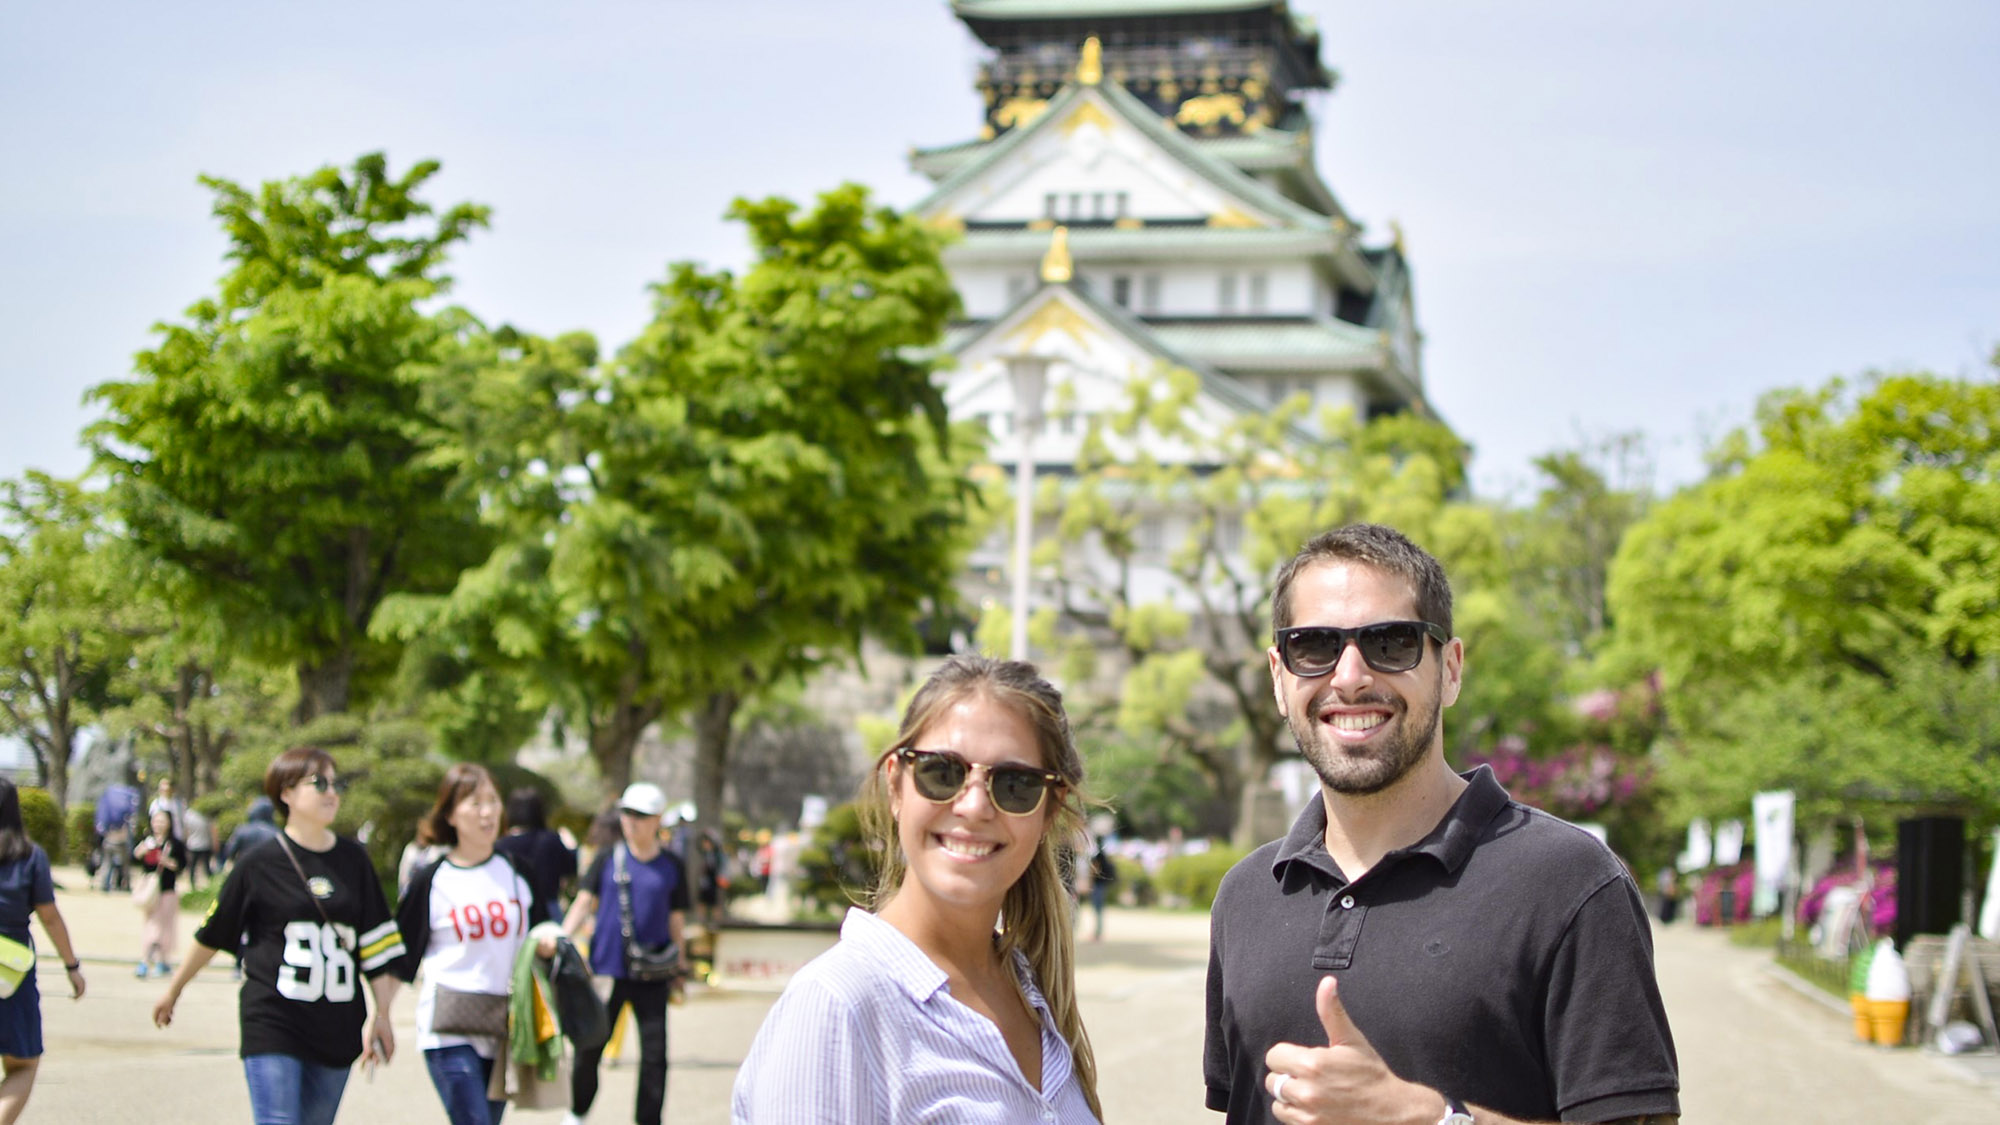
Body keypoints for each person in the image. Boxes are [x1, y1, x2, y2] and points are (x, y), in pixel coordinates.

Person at [1204, 524, 1679, 1125]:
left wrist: (1427, 1119)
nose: (1349, 676)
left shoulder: (1571, 884)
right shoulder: (1245, 896)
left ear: (1450, 669)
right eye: (1314, 646)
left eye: (1392, 642)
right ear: (1279, 676)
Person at [731, 654, 1104, 1124]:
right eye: (942, 772)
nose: (973, 805)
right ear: (896, 786)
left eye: (1015, 784)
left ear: (1051, 810)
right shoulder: (837, 1006)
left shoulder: (1030, 992)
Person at [152, 746, 407, 1125]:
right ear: (285, 793)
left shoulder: (355, 861)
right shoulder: (259, 862)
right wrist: (173, 990)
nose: (331, 792)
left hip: (337, 1025)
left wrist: (383, 1014)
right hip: (273, 1019)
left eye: (337, 784)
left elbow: (375, 945)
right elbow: (214, 932)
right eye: (318, 783)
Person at [391, 765, 557, 1125]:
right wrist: (380, 1016)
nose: (487, 812)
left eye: (492, 801)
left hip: (504, 1023)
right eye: (474, 803)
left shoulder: (518, 871)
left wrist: (547, 945)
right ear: (450, 814)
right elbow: (401, 958)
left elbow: (542, 929)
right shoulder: (431, 879)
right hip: (448, 1025)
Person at [562, 782, 689, 1125]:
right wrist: (560, 937)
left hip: (654, 972)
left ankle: (648, 1120)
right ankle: (577, 1113)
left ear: (657, 819)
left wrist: (681, 965)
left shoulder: (672, 865)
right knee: (589, 1047)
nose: (631, 821)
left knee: (654, 1056)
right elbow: (584, 901)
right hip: (607, 968)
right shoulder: (606, 857)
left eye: (640, 815)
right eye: (627, 813)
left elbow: (677, 919)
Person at [0, 777, 86, 1125]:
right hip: (11, 970)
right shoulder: (30, 856)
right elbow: (49, 916)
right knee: (23, 1063)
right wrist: (72, 966)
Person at [495, 788, 577, 925]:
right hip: (548, 908)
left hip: (513, 909)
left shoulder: (501, 845)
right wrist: (572, 846)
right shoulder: (550, 839)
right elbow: (571, 868)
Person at [132, 809, 188, 978]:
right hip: (151, 889)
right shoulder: (147, 842)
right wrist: (141, 851)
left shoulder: (175, 844)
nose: (158, 824)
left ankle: (161, 960)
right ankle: (147, 959)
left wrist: (167, 862)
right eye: (156, 821)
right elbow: (133, 859)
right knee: (152, 924)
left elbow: (182, 865)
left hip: (167, 890)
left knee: (165, 927)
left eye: (162, 821)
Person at [93, 780, 139, 892]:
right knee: (125, 866)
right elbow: (132, 823)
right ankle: (126, 885)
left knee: (107, 863)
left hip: (109, 839)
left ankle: (105, 884)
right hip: (122, 839)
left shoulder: (107, 802)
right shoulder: (127, 805)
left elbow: (101, 821)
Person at [183, 807, 215, 889]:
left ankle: (192, 884)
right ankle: (210, 883)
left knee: (193, 867)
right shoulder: (205, 814)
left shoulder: (188, 814)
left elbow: (186, 831)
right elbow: (211, 830)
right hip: (204, 844)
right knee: (206, 866)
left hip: (193, 844)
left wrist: (185, 843)